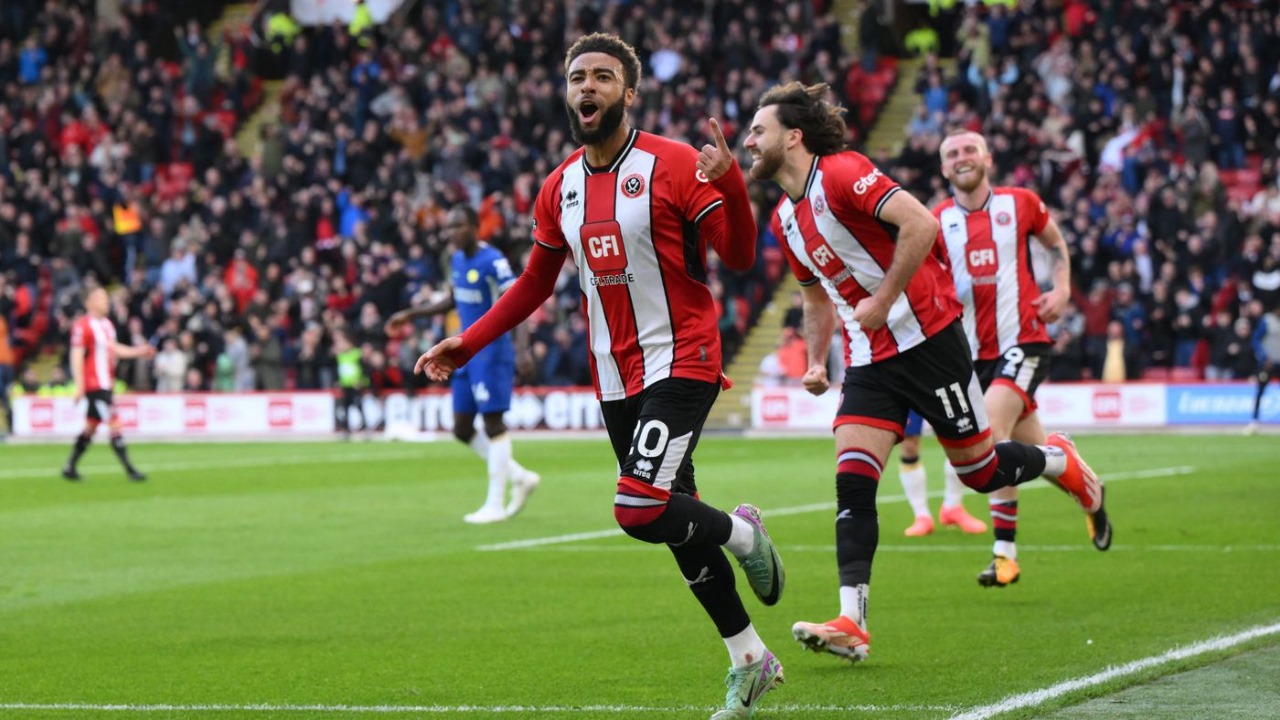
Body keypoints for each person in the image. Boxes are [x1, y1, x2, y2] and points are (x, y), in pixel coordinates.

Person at [415, 33, 786, 719]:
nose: (587, 87)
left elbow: (737, 256)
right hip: (614, 374)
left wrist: (732, 183)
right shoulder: (560, 187)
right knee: (673, 523)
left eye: (603, 77)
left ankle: (743, 534)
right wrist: (466, 342)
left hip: (684, 357)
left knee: (637, 507)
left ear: (629, 92)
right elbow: (534, 282)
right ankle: (749, 658)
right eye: (577, 77)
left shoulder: (676, 164)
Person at [743, 82, 1103, 663]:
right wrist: (815, 360)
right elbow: (814, 297)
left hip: (931, 340)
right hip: (870, 361)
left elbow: (920, 226)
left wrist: (884, 300)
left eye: (757, 130)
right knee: (853, 482)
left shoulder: (841, 173)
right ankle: (852, 622)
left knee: (982, 471)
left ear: (793, 136)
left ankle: (1062, 461)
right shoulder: (786, 219)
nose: (747, 141)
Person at [934, 130, 1114, 587]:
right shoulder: (936, 222)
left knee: (989, 441)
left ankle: (1003, 554)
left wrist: (1063, 287)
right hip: (972, 357)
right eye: (952, 153)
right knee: (1034, 455)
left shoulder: (1020, 204)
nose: (962, 158)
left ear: (988, 158)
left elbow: (1056, 244)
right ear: (942, 168)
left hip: (1023, 340)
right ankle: (1089, 491)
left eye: (969, 150)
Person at [385, 205, 541, 524]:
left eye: (457, 227)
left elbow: (517, 301)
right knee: (461, 427)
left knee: (493, 424)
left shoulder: (493, 261)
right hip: (465, 352)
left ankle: (495, 503)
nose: (451, 233)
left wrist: (522, 349)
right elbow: (454, 300)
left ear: (474, 226)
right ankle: (520, 477)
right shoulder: (456, 259)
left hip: (493, 351)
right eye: (448, 228)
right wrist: (411, 315)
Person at [61, 287, 155, 481]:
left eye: (106, 298)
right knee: (114, 422)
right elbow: (76, 355)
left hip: (106, 384)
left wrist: (139, 351)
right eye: (101, 298)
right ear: (89, 303)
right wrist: (79, 385)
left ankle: (70, 468)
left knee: (91, 426)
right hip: (94, 385)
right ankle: (130, 470)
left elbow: (114, 349)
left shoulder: (107, 325)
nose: (106, 302)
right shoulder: (83, 325)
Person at [896, 409, 988, 537]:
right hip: (908, 391)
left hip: (939, 390)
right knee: (909, 444)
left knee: (957, 438)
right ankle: (921, 516)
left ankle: (953, 506)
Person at [1245, 304, 1280, 435]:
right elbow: (1255, 340)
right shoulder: (1267, 321)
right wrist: (1264, 357)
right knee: (1260, 391)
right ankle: (1254, 421)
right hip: (1268, 363)